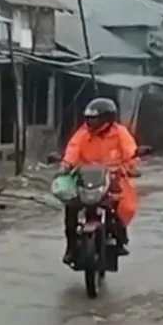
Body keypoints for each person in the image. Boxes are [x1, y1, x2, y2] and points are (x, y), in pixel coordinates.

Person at [60, 97, 139, 264]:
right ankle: (71, 246)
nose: (90, 122)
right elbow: (73, 150)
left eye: (94, 118)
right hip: (85, 176)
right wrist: (65, 166)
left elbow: (130, 152)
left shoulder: (119, 133)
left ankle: (119, 237)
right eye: (88, 118)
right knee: (70, 206)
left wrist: (130, 166)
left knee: (122, 204)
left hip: (111, 176)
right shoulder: (83, 133)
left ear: (106, 119)